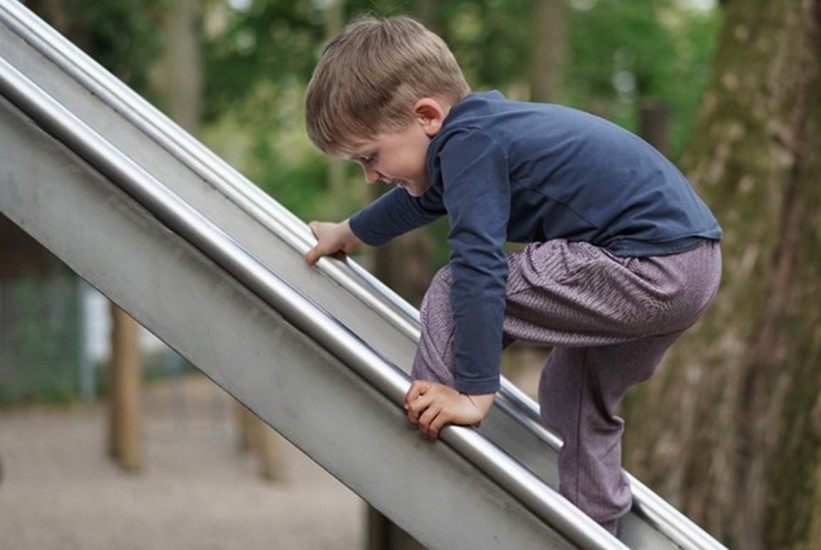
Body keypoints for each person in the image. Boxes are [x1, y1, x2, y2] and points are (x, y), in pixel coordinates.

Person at [302, 15, 722, 535]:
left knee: (455, 285)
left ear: (427, 115)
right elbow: (419, 202)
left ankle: (436, 413)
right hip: (689, 265)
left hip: (647, 263)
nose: (370, 174)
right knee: (574, 392)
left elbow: (478, 262)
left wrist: (475, 392)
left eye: (370, 156)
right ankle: (595, 529)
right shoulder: (480, 134)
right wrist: (349, 232)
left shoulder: (469, 143)